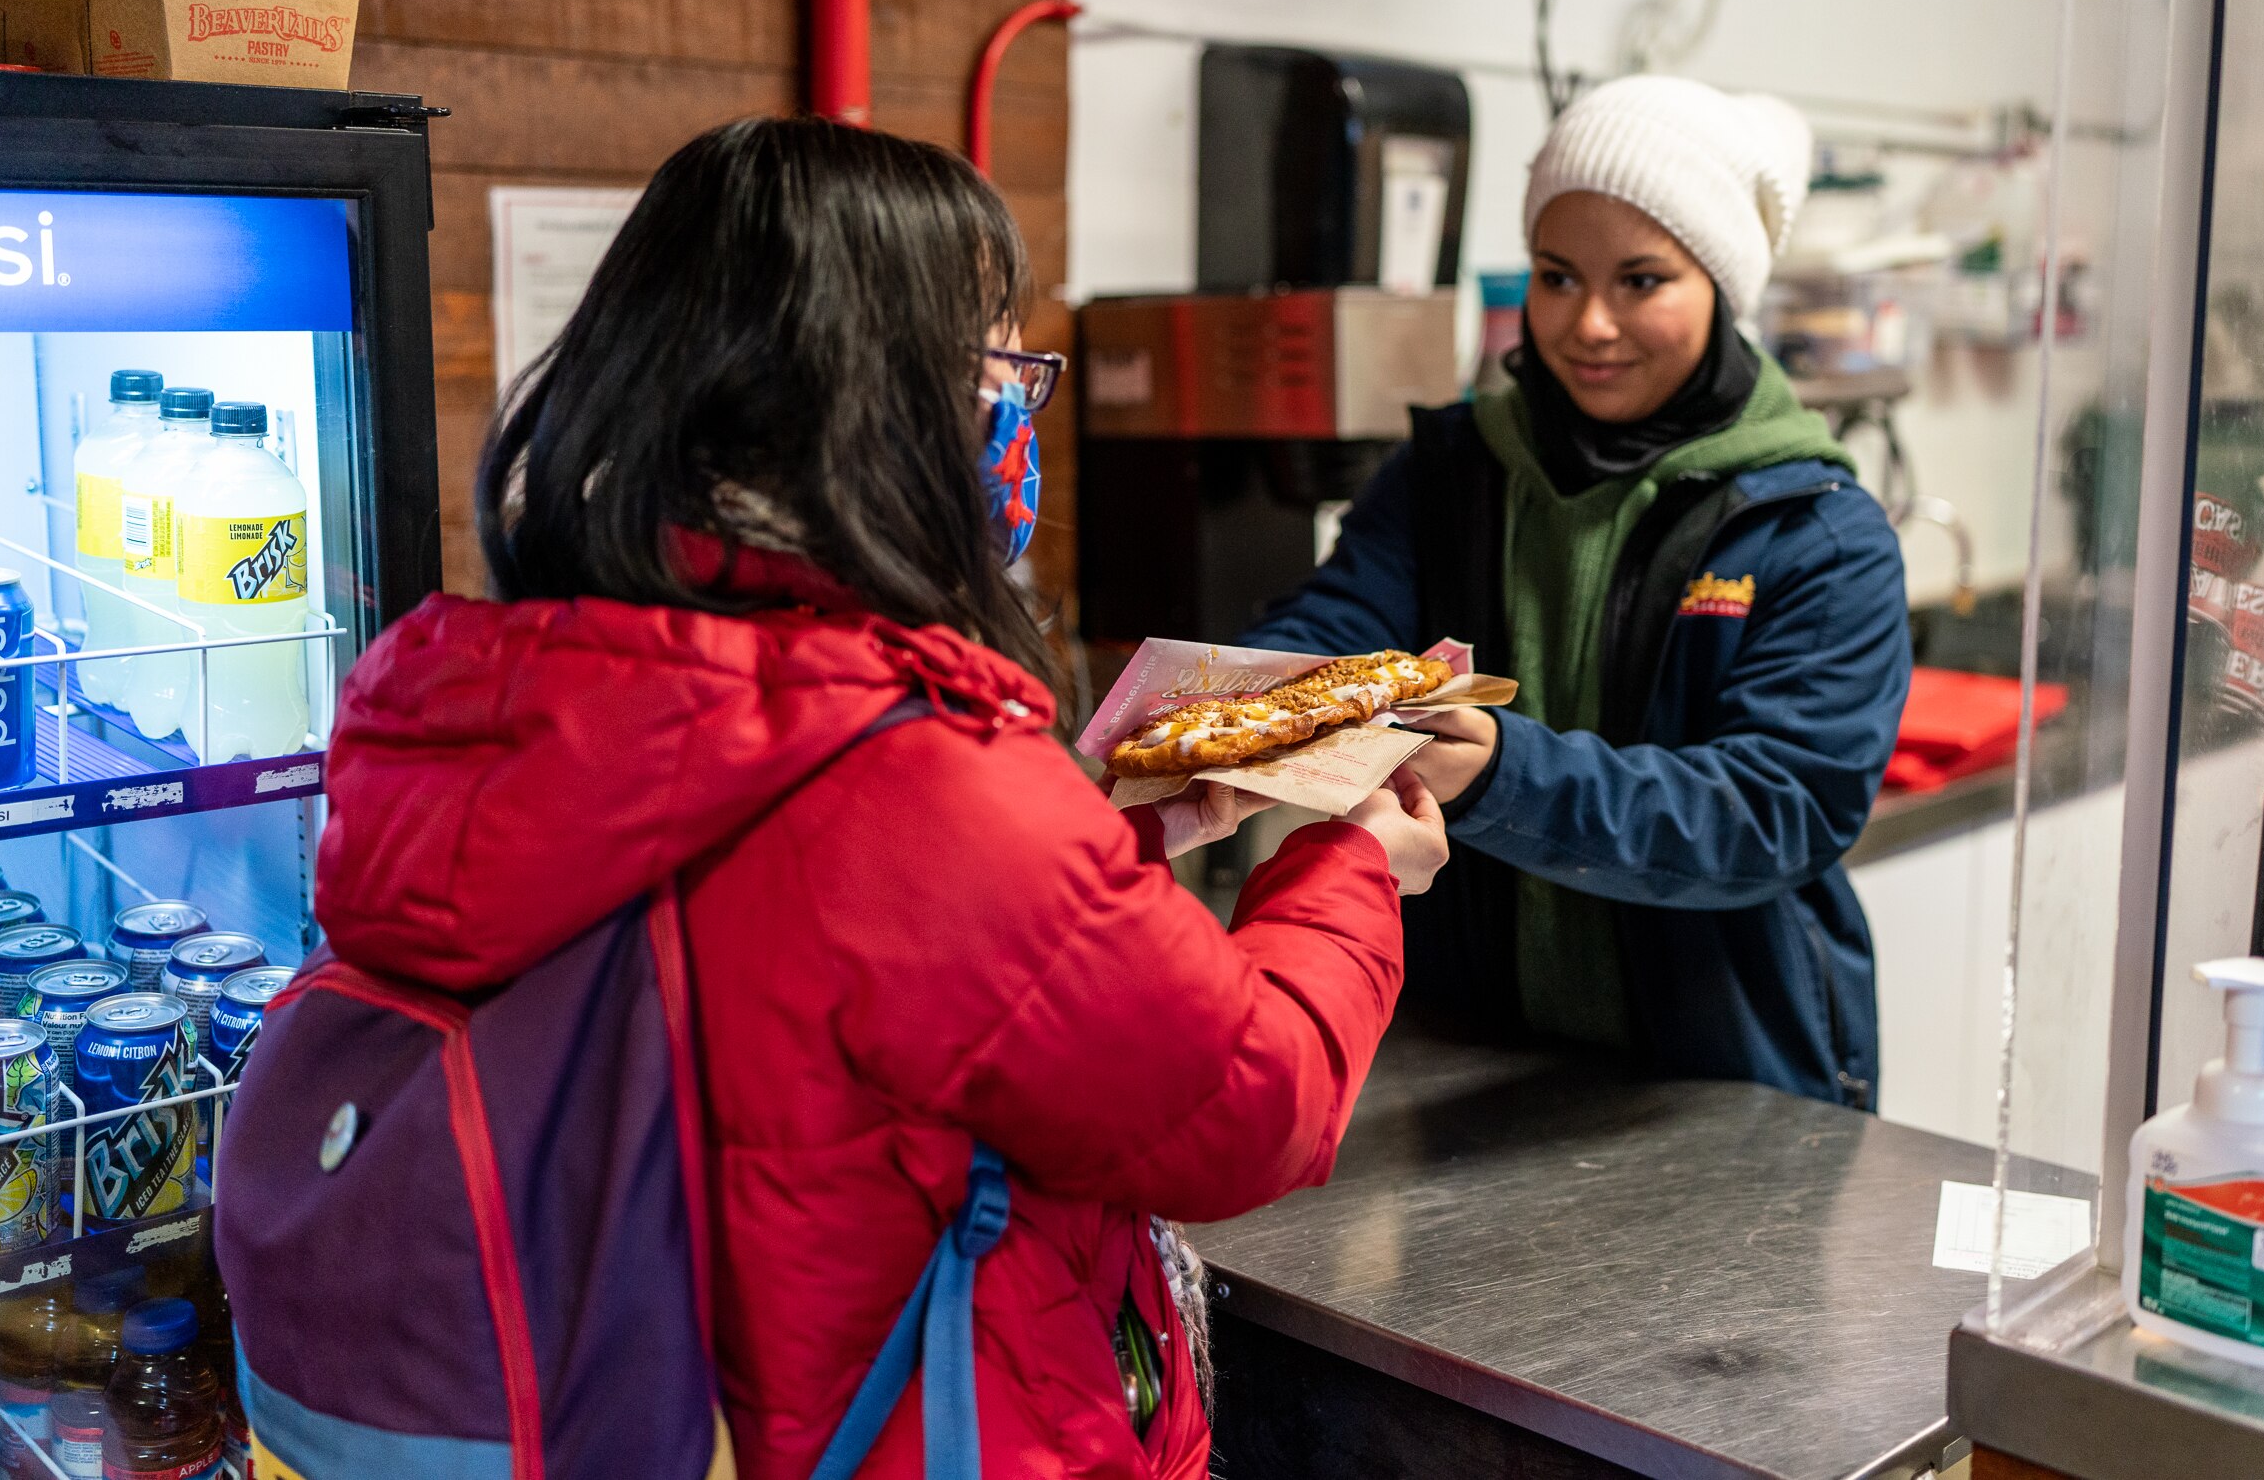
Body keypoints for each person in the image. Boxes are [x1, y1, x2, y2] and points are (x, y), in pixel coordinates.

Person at [309, 118, 1447, 1480]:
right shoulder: (917, 774)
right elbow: (1251, 1098)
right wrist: (1352, 861)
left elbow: (814, 953)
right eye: (986, 362)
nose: (1012, 404)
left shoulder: (499, 685)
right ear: (870, 397)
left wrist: (1109, 825)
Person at [1251, 76, 1910, 1105]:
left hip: (1725, 1084)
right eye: (1556, 278)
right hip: (1468, 1063)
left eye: (1640, 281)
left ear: (1720, 286)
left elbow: (1769, 812)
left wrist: (1505, 772)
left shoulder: (1812, 531)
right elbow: (1337, 621)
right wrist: (1259, 697)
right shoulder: (1452, 471)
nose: (1588, 323)